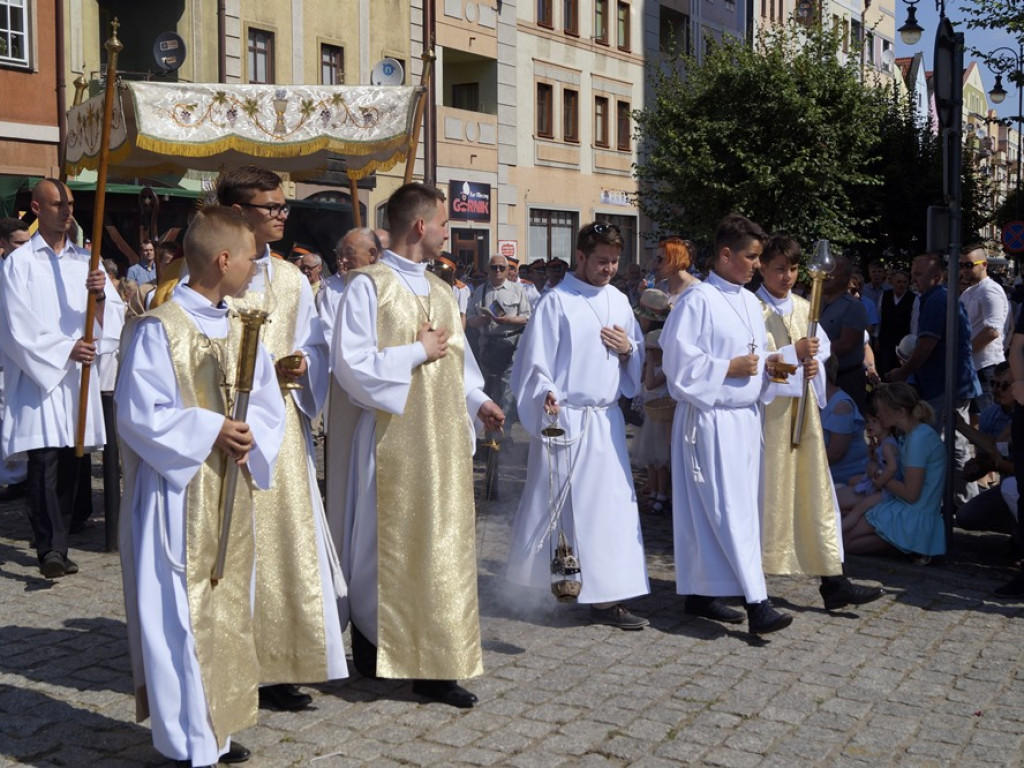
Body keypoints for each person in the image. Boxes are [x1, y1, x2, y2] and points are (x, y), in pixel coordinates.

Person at [117, 206, 285, 768]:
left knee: (229, 604)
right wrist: (212, 427)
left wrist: (250, 432)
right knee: (180, 613)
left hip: (229, 489)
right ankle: (187, 742)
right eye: (249, 257)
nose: (256, 266)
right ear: (222, 260)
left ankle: (217, 730)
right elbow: (140, 415)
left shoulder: (245, 325)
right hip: (178, 493)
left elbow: (265, 402)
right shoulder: (158, 329)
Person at [331, 182, 504, 708]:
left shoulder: (443, 291)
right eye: (446, 223)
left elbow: (460, 364)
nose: (450, 232)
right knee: (383, 548)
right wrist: (413, 351)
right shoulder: (367, 287)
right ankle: (373, 639)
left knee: (443, 549)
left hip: (443, 440)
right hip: (391, 438)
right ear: (421, 227)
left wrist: (479, 402)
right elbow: (351, 367)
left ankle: (437, 663)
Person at [217, 165, 347, 711]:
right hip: (232, 432)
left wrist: (301, 364)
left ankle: (285, 660)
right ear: (237, 213)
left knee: (287, 545)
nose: (280, 215)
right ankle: (235, 658)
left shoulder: (294, 279)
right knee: (238, 545)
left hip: (286, 429)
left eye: (283, 206)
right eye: (270, 207)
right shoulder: (210, 274)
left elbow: (315, 345)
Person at [506, 221, 650, 630]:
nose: (608, 269)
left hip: (605, 421)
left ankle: (609, 597)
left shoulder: (620, 300)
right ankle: (540, 588)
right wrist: (546, 391)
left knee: (611, 511)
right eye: (601, 261)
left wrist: (628, 351)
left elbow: (635, 352)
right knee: (554, 504)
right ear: (581, 258)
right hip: (565, 418)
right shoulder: (556, 301)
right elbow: (534, 362)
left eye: (614, 262)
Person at [661, 213, 792, 635]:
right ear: (725, 254)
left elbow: (753, 358)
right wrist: (726, 368)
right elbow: (677, 366)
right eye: (751, 257)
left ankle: (701, 593)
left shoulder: (750, 302)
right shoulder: (697, 300)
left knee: (733, 510)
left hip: (743, 419)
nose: (757, 264)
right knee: (725, 509)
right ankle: (758, 603)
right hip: (710, 418)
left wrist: (774, 369)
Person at [0, 178, 123, 577]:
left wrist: (101, 297)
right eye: (58, 205)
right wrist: (63, 348)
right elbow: (16, 324)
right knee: (44, 458)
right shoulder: (19, 263)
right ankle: (48, 549)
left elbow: (115, 319)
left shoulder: (86, 262)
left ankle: (61, 540)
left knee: (73, 460)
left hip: (77, 379)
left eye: (70, 204)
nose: (67, 212)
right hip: (40, 378)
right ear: (37, 209)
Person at [755, 235, 883, 612]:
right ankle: (748, 581)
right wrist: (793, 362)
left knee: (818, 495)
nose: (787, 276)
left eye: (793, 269)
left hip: (805, 417)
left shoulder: (803, 307)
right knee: (764, 498)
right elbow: (750, 366)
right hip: (767, 421)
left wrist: (813, 368)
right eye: (779, 268)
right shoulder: (751, 308)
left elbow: (821, 352)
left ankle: (835, 580)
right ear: (762, 267)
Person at [886, 254, 980, 506]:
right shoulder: (936, 298)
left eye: (918, 275)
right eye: (913, 273)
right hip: (946, 381)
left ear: (936, 276)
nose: (913, 279)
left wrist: (903, 373)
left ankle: (958, 500)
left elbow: (927, 344)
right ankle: (959, 498)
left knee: (944, 441)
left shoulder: (938, 300)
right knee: (949, 441)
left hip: (948, 383)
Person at [842, 383, 946, 562]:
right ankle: (900, 542)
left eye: (882, 410)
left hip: (912, 512)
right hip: (906, 506)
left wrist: (877, 474)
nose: (879, 415)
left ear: (900, 412)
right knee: (846, 524)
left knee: (845, 543)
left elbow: (911, 494)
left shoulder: (918, 439)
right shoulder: (911, 434)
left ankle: (906, 542)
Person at [467, 254, 531, 422]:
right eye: (494, 267)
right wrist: (480, 320)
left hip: (510, 342)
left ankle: (504, 435)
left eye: (502, 268)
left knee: (507, 390)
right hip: (487, 344)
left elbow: (526, 317)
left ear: (507, 270)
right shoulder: (480, 290)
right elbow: (469, 320)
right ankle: (491, 433)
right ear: (488, 270)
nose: (498, 271)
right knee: (488, 389)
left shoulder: (518, 290)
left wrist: (508, 320)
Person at [959, 245, 1008, 414]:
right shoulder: (969, 292)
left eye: (969, 265)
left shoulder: (990, 290)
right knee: (973, 418)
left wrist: (964, 351)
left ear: (984, 265)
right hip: (971, 365)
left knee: (985, 419)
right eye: (962, 265)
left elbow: (993, 331)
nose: (964, 269)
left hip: (986, 366)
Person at [818, 254, 869, 414]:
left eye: (832, 270)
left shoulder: (853, 307)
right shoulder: (817, 304)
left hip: (846, 379)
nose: (826, 274)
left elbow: (846, 344)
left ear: (845, 276)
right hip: (822, 376)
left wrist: (812, 353)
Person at [631, 329, 672, 514]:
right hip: (650, 417)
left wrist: (651, 366)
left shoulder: (665, 368)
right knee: (651, 459)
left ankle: (662, 494)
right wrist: (646, 364)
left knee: (660, 458)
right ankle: (653, 491)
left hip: (660, 419)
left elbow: (650, 384)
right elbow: (638, 380)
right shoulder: (651, 366)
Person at [875, 269, 913, 377]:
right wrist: (877, 337)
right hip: (886, 339)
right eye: (899, 281)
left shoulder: (913, 298)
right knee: (884, 367)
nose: (901, 285)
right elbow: (879, 317)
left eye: (904, 282)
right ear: (892, 282)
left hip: (904, 340)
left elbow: (914, 322)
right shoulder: (884, 296)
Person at [655, 236, 701, 307]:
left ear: (674, 260)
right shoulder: (661, 287)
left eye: (660, 259)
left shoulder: (696, 289)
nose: (656, 263)